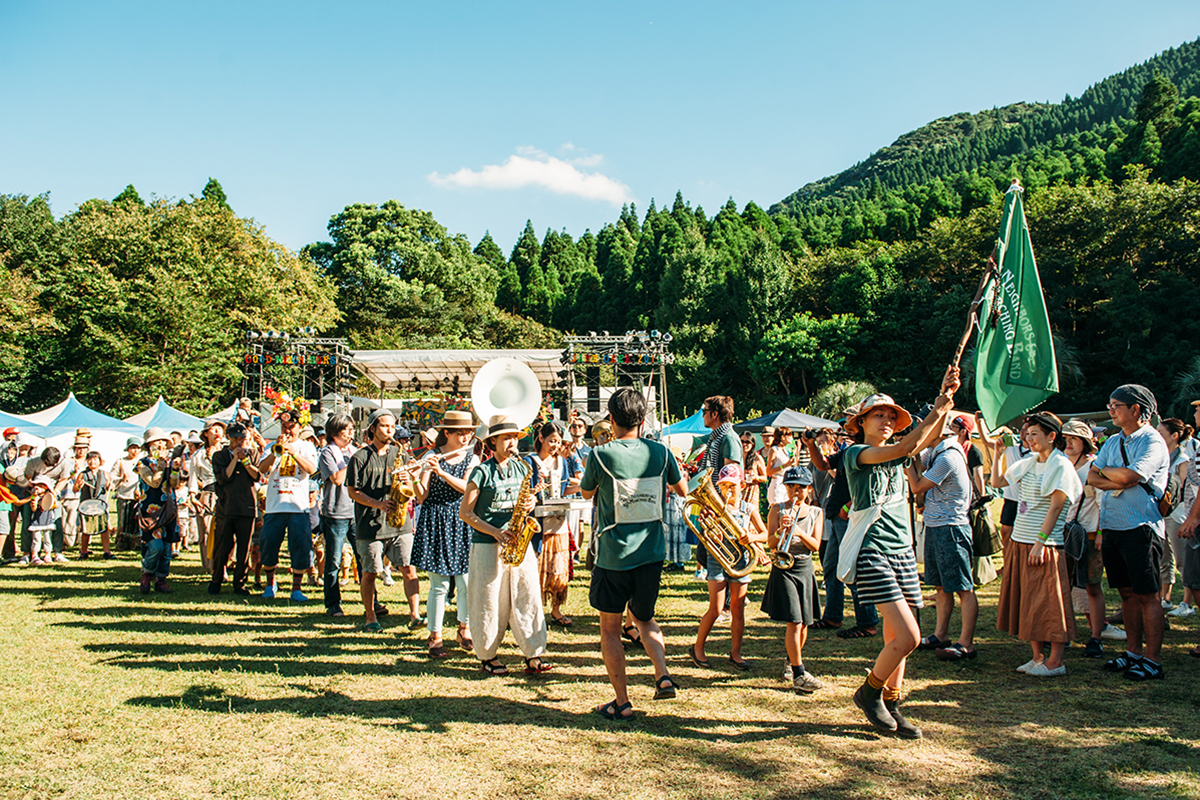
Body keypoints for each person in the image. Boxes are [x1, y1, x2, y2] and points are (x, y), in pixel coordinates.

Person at [844, 368, 959, 741]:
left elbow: (930, 436)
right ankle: (870, 691)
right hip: (872, 550)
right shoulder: (857, 453)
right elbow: (907, 446)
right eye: (880, 415)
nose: (888, 420)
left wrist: (946, 396)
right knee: (908, 637)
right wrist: (938, 406)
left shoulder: (896, 453)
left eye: (892, 416)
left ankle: (892, 703)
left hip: (902, 551)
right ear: (861, 422)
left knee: (900, 636)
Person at [579, 387, 685, 720]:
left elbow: (586, 492)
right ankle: (662, 675)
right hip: (651, 552)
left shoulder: (601, 455)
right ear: (642, 418)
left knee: (610, 629)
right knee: (645, 617)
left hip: (614, 555)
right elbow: (681, 490)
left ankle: (622, 702)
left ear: (611, 419)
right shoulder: (662, 453)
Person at [1088, 384, 1171, 681]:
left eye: (1115, 405)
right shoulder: (1112, 442)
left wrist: (1118, 475)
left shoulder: (1152, 441)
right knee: (1125, 594)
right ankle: (1134, 652)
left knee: (1148, 595)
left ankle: (1153, 659)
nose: (1110, 410)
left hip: (1141, 528)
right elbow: (1092, 476)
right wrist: (1119, 479)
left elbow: (1132, 475)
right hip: (1113, 526)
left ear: (1136, 409)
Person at [460, 414, 552, 677]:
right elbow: (465, 513)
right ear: (493, 442)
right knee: (488, 600)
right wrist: (494, 532)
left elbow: (529, 501)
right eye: (507, 438)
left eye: (515, 437)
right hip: (488, 544)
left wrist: (531, 505)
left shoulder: (523, 468)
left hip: (519, 542)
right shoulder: (481, 471)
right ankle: (488, 655)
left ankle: (534, 653)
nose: (513, 442)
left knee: (528, 595)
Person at [990, 413, 1082, 677]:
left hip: (1045, 543)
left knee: (1050, 602)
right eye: (1027, 434)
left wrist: (1040, 543)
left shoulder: (1061, 465)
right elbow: (997, 483)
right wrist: (998, 454)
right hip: (1021, 540)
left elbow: (1056, 507)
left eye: (1034, 434)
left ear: (1052, 436)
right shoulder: (1029, 461)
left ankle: (1056, 661)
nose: (1028, 439)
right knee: (1028, 599)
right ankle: (1037, 656)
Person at [907, 415, 978, 661]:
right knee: (940, 585)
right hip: (936, 525)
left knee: (962, 586)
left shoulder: (948, 456)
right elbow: (919, 460)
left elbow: (917, 486)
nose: (921, 432)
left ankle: (965, 643)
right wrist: (912, 452)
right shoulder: (936, 451)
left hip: (952, 528)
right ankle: (941, 634)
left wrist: (907, 465)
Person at [412, 409, 480, 658]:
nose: (465, 438)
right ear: (447, 433)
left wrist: (441, 472)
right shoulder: (432, 455)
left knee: (464, 582)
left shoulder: (472, 458)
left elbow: (467, 488)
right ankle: (435, 634)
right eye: (460, 433)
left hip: (461, 519)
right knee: (439, 585)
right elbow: (422, 495)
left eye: (468, 433)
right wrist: (415, 477)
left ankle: (465, 627)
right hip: (435, 520)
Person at [804, 422, 881, 639]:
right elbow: (823, 464)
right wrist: (811, 445)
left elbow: (871, 484)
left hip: (850, 517)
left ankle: (867, 622)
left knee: (853, 570)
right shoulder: (848, 450)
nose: (846, 428)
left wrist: (848, 506)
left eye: (852, 424)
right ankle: (833, 616)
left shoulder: (868, 452)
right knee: (831, 568)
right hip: (837, 517)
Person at [345, 410, 420, 632]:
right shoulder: (359, 457)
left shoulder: (400, 453)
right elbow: (352, 491)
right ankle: (370, 616)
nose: (391, 430)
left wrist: (410, 477)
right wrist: (378, 504)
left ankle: (415, 615)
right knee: (370, 573)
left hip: (399, 523)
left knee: (409, 569)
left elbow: (413, 488)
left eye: (393, 426)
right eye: (385, 426)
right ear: (372, 429)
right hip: (371, 525)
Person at [689, 463, 768, 671]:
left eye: (732, 485)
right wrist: (711, 531)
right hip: (718, 559)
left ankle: (736, 653)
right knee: (715, 608)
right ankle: (698, 648)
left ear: (741, 484)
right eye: (724, 486)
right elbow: (705, 535)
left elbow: (766, 534)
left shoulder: (748, 509)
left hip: (740, 560)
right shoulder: (714, 508)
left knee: (738, 609)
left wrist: (751, 537)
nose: (729, 490)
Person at [762, 466, 825, 694]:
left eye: (800, 488)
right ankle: (799, 673)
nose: (795, 492)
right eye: (791, 487)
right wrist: (781, 530)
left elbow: (816, 545)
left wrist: (799, 532)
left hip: (804, 566)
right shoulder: (777, 509)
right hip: (784, 567)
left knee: (806, 621)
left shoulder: (817, 512)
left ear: (809, 489)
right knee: (794, 620)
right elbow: (770, 542)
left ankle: (791, 660)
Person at [258, 407, 319, 602]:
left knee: (300, 546)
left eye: (291, 427)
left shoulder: (306, 447)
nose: (287, 430)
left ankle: (296, 588)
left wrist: (293, 453)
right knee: (268, 545)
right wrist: (276, 451)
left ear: (299, 427)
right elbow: (262, 469)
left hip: (298, 506)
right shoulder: (271, 447)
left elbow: (311, 469)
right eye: (284, 426)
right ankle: (270, 584)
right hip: (275, 506)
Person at [1060, 420, 1109, 657]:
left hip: (1089, 533)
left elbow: (1102, 504)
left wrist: (1100, 533)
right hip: (1063, 533)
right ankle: (1066, 633)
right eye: (1066, 438)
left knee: (1092, 586)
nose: (1068, 443)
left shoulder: (1093, 467)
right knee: (1063, 586)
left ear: (1084, 442)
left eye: (1073, 438)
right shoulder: (1061, 464)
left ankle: (1096, 636)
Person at [527, 421, 582, 627]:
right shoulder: (530, 462)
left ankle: (556, 609)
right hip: (538, 523)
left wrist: (579, 489)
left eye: (558, 442)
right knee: (538, 567)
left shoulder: (562, 462)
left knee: (558, 569)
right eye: (551, 441)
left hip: (558, 522)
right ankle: (535, 609)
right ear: (541, 439)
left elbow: (565, 488)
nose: (555, 446)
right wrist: (534, 492)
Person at [208, 423, 258, 595]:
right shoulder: (219, 455)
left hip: (247, 506)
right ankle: (216, 579)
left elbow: (257, 475)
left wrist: (245, 460)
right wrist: (234, 459)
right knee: (222, 545)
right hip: (226, 506)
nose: (239, 441)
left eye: (242, 438)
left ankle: (240, 583)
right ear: (228, 438)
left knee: (244, 548)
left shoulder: (253, 453)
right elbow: (223, 477)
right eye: (235, 438)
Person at [136, 428, 186, 594]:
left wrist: (175, 469)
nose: (160, 444)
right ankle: (147, 574)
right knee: (155, 546)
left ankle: (162, 580)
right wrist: (161, 466)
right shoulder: (142, 463)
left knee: (166, 549)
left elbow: (173, 483)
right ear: (149, 445)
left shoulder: (168, 461)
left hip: (168, 508)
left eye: (163, 442)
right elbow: (154, 483)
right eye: (157, 441)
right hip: (150, 510)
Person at [318, 413, 358, 617]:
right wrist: (352, 462)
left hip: (356, 512)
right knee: (333, 560)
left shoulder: (354, 450)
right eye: (347, 430)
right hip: (335, 513)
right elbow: (336, 479)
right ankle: (333, 602)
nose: (352, 434)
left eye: (353, 430)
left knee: (363, 557)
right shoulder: (327, 452)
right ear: (335, 432)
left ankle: (373, 600)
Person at [1157, 418, 1193, 611]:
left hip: (1178, 513)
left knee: (1182, 558)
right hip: (1161, 513)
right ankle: (1166, 598)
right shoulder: (1160, 456)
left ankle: (1187, 602)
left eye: (1161, 433)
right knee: (1163, 557)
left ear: (1174, 436)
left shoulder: (1183, 459)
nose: (1158, 436)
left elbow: (1186, 489)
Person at [189, 419, 224, 573]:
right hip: (208, 494)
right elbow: (192, 477)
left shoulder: (228, 451)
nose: (217, 432)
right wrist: (193, 496)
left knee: (227, 531)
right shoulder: (199, 454)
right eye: (213, 429)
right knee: (207, 532)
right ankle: (212, 567)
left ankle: (226, 563)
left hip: (227, 493)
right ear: (205, 434)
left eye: (220, 429)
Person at [74, 450, 113, 559]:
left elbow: (109, 486)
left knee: (104, 528)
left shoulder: (104, 473)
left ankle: (106, 551)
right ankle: (84, 551)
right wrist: (79, 486)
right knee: (86, 529)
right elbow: (75, 489)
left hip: (100, 504)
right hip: (87, 505)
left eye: (95, 459)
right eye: (90, 459)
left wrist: (110, 486)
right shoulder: (83, 474)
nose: (92, 462)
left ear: (100, 461)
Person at [741, 431, 767, 508]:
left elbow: (764, 478)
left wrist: (756, 477)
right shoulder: (736, 457)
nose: (744, 444)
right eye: (742, 441)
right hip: (739, 490)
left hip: (751, 490)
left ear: (752, 444)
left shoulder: (757, 458)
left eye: (747, 442)